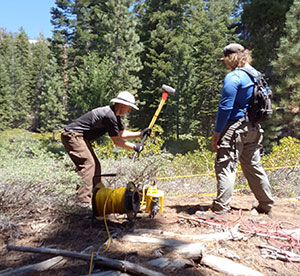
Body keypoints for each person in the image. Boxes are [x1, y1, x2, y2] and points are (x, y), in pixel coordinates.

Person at [210, 43, 274, 217]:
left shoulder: (234, 77)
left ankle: (220, 208)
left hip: (235, 127)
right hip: (254, 127)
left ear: (230, 58)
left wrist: (217, 134)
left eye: (225, 60)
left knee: (225, 165)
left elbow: (225, 107)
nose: (224, 63)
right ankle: (266, 204)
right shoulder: (256, 74)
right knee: (253, 166)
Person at [61, 91, 151, 206]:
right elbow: (117, 141)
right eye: (129, 107)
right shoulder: (109, 115)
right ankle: (82, 202)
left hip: (80, 137)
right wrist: (134, 146)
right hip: (72, 135)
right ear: (122, 105)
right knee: (88, 165)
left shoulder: (114, 115)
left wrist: (140, 134)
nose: (129, 110)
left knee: (96, 165)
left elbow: (121, 133)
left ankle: (97, 198)